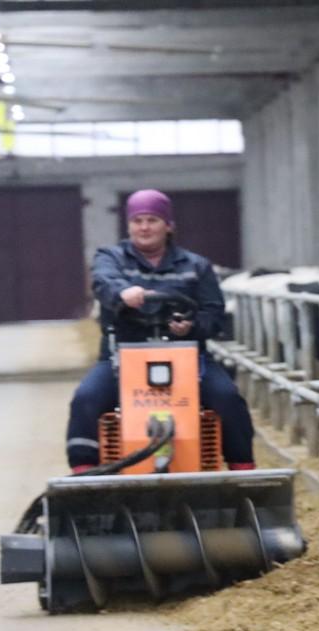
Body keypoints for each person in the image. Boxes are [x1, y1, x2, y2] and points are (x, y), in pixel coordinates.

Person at [65, 189, 255, 473]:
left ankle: (243, 469)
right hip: (122, 355)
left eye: (152, 220)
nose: (144, 227)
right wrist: (123, 292)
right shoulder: (111, 257)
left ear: (168, 226)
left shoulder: (196, 266)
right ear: (129, 225)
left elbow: (214, 313)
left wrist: (191, 326)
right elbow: (104, 282)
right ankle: (84, 472)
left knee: (227, 397)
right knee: (86, 398)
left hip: (187, 357)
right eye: (138, 220)